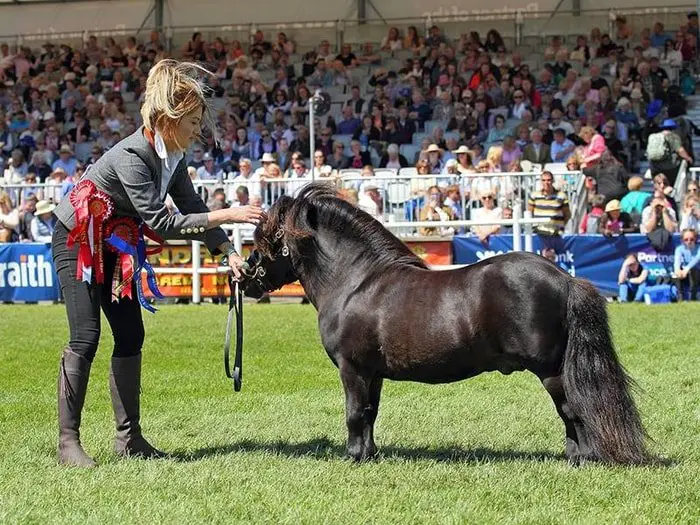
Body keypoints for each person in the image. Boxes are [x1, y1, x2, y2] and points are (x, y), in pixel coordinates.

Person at [50, 60, 264, 468]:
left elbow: (191, 207)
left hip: (114, 241)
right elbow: (162, 221)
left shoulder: (174, 157)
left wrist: (228, 252)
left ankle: (129, 439)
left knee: (130, 334)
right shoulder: (132, 153)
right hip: (76, 237)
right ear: (170, 117)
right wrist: (227, 216)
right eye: (193, 120)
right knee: (86, 336)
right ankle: (67, 443)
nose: (198, 129)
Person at [673, 229, 700, 300]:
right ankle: (680, 297)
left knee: (693, 270)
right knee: (675, 274)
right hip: (686, 273)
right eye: (686, 239)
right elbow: (677, 261)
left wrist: (687, 269)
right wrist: (677, 270)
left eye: (691, 239)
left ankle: (692, 296)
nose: (689, 241)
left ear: (695, 239)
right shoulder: (679, 249)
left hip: (697, 273)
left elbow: (696, 259)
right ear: (682, 240)